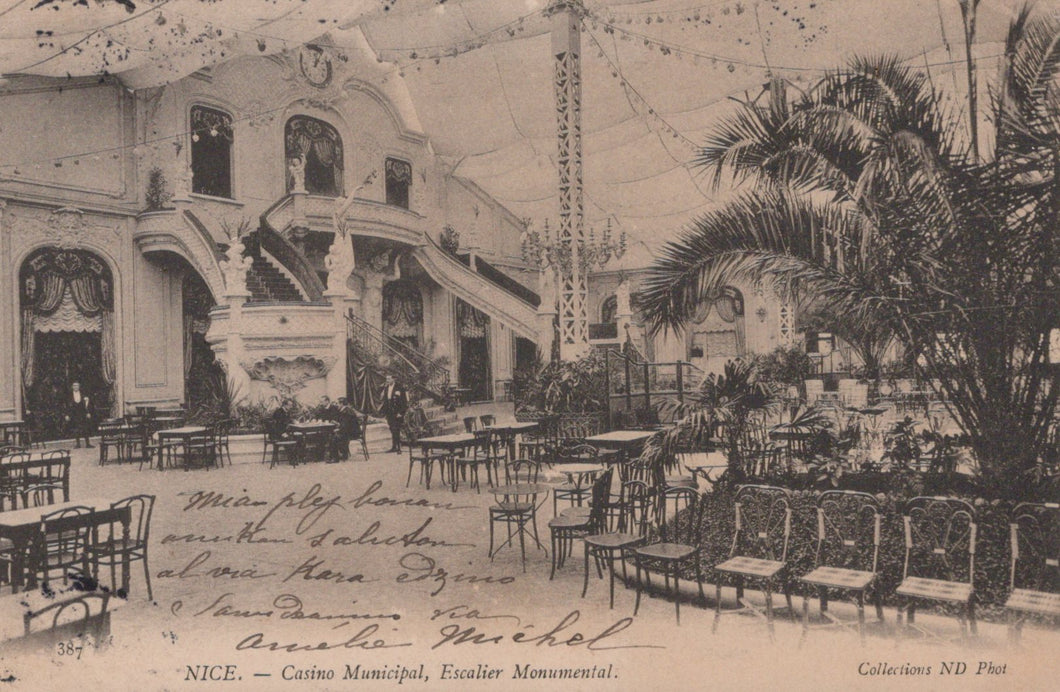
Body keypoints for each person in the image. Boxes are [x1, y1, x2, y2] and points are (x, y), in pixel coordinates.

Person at [380, 374, 407, 453]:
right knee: (392, 429)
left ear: (393, 379)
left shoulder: (399, 388)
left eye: (389, 379)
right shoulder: (386, 388)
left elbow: (404, 401)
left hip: (397, 412)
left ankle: (398, 447)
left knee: (397, 429)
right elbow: (385, 400)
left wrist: (401, 412)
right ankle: (394, 446)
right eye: (386, 379)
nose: (387, 380)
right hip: (389, 412)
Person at [65, 381, 93, 448]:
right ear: (72, 387)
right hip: (74, 414)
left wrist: (88, 412)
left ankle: (88, 444)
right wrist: (67, 414)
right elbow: (67, 406)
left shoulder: (83, 394)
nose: (75, 387)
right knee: (76, 429)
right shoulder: (69, 395)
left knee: (85, 428)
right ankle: (78, 444)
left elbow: (87, 405)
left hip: (82, 413)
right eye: (74, 385)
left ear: (79, 387)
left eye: (77, 385)